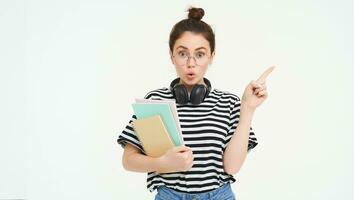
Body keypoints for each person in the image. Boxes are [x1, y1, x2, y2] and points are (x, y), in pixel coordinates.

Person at [117, 7, 273, 200]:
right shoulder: (154, 101)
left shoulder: (230, 103)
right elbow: (128, 161)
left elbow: (232, 167)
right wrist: (164, 163)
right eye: (183, 54)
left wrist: (247, 108)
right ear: (171, 55)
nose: (191, 63)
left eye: (199, 54)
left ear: (211, 56)